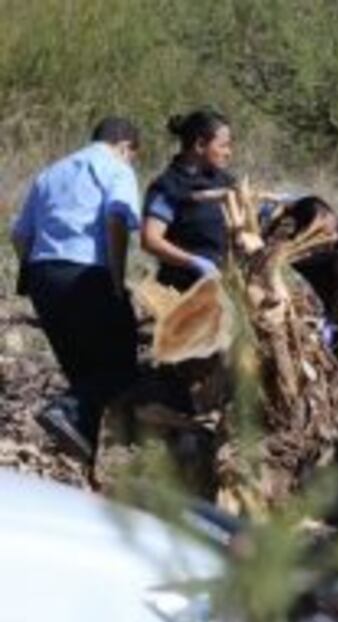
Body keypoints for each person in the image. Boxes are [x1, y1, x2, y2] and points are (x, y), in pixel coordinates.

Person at [9, 116, 142, 461]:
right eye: (133, 156)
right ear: (126, 146)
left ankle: (86, 448)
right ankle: (65, 410)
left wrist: (38, 271)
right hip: (87, 274)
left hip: (43, 276)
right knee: (122, 364)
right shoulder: (116, 168)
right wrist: (117, 278)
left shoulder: (50, 173)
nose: (131, 162)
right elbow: (116, 218)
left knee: (82, 370)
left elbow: (20, 234)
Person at [263, 195, 338, 379]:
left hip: (330, 262)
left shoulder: (337, 245)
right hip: (318, 257)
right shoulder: (301, 210)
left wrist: (330, 320)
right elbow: (278, 227)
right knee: (337, 310)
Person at [142, 108, 235, 292]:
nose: (228, 152)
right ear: (200, 145)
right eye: (223, 146)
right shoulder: (169, 187)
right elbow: (150, 239)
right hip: (180, 290)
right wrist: (194, 262)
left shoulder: (225, 181)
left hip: (223, 287)